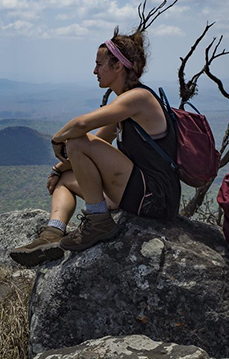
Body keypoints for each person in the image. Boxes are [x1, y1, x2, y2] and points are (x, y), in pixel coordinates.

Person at [10, 27, 181, 268]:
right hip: (139, 192)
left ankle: (98, 220)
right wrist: (59, 168)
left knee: (77, 140)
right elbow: (99, 144)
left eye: (99, 64)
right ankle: (51, 235)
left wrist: (57, 138)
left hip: (154, 196)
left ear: (118, 66)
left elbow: (82, 127)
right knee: (66, 178)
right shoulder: (125, 104)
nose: (94, 71)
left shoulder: (138, 98)